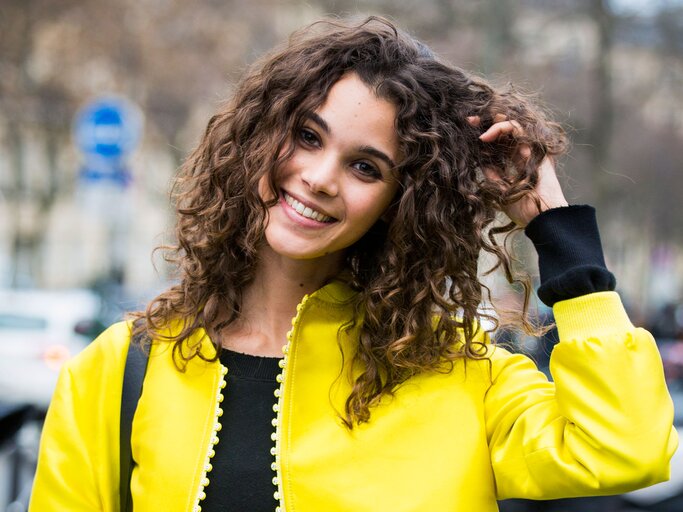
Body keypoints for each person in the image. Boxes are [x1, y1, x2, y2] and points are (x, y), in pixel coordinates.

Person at [30, 16, 677, 512]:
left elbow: (622, 448)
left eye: (365, 166)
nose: (317, 177)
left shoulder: (460, 375)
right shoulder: (120, 369)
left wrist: (551, 224)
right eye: (306, 136)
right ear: (259, 136)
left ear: (400, 202)